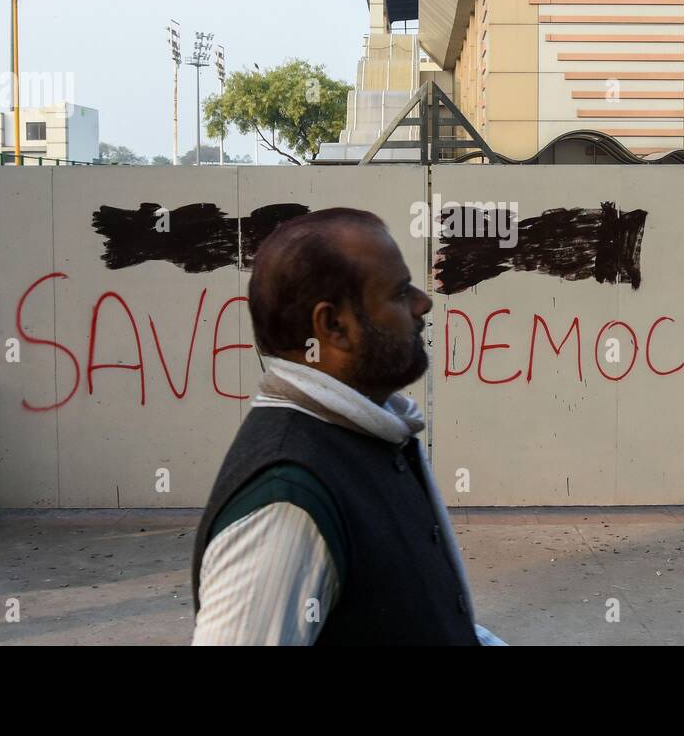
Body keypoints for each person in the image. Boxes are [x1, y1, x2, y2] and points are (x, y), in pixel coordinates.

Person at [191, 207, 503, 645]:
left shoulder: (366, 435)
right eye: (398, 294)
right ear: (334, 326)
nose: (422, 303)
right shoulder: (288, 503)